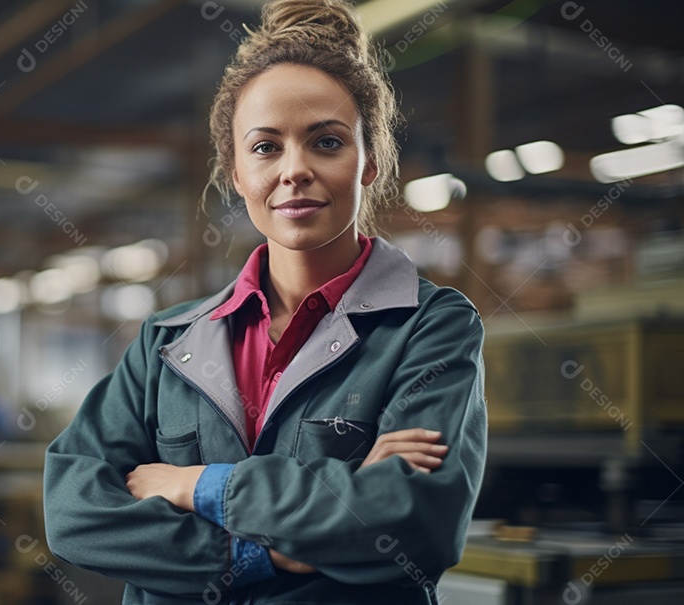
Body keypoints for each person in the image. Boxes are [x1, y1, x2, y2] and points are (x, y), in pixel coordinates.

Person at [43, 1, 487, 603]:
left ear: (370, 164)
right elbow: (74, 512)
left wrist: (195, 486)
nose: (295, 170)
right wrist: (250, 556)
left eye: (327, 142)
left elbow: (411, 525)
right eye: (265, 147)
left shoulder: (431, 328)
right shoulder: (168, 343)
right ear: (233, 171)